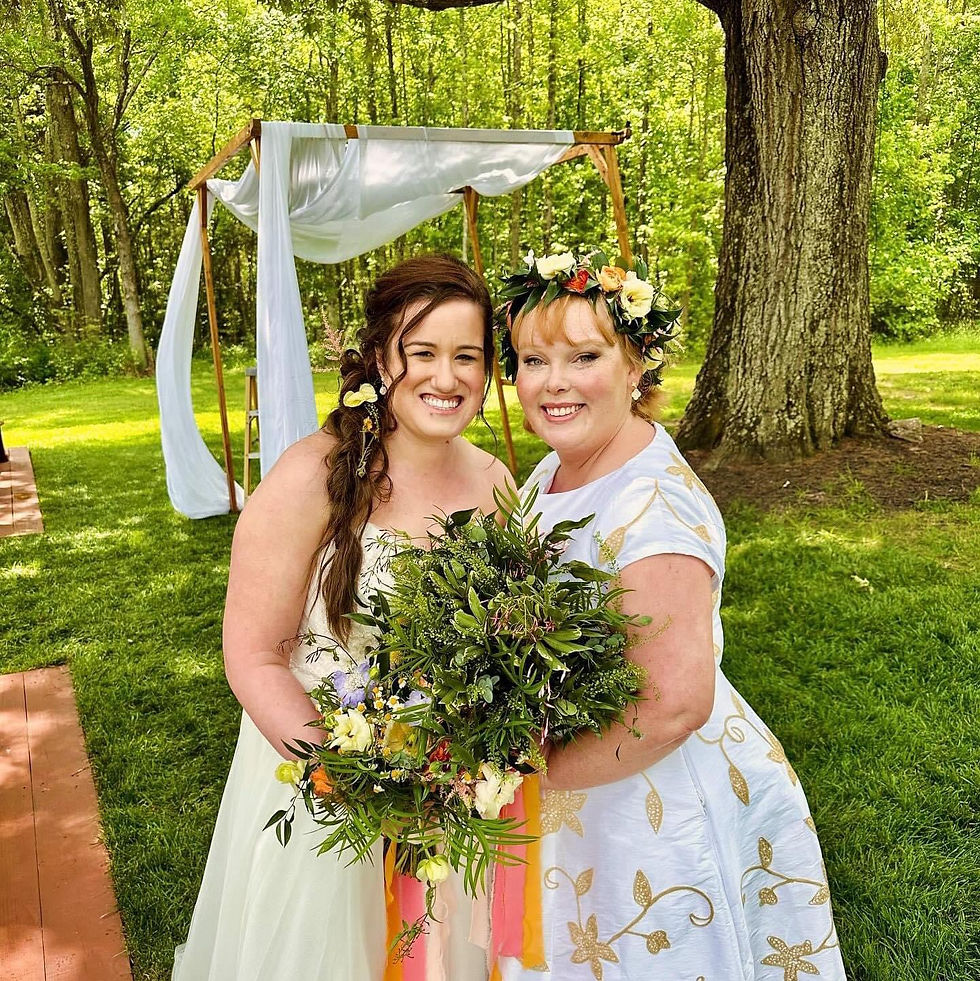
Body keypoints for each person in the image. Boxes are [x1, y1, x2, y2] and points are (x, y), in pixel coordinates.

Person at [496, 251, 847, 980]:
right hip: (579, 767)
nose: (554, 381)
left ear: (635, 365)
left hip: (645, 783)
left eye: (583, 356)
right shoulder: (558, 467)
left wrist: (534, 776)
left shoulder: (652, 506)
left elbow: (671, 705)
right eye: (534, 359)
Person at [172, 255, 506, 981]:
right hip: (325, 788)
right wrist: (351, 781)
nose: (445, 378)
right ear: (382, 357)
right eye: (423, 353)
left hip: (449, 799)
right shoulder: (309, 475)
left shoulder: (493, 482)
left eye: (466, 357)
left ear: (488, 371)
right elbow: (253, 653)